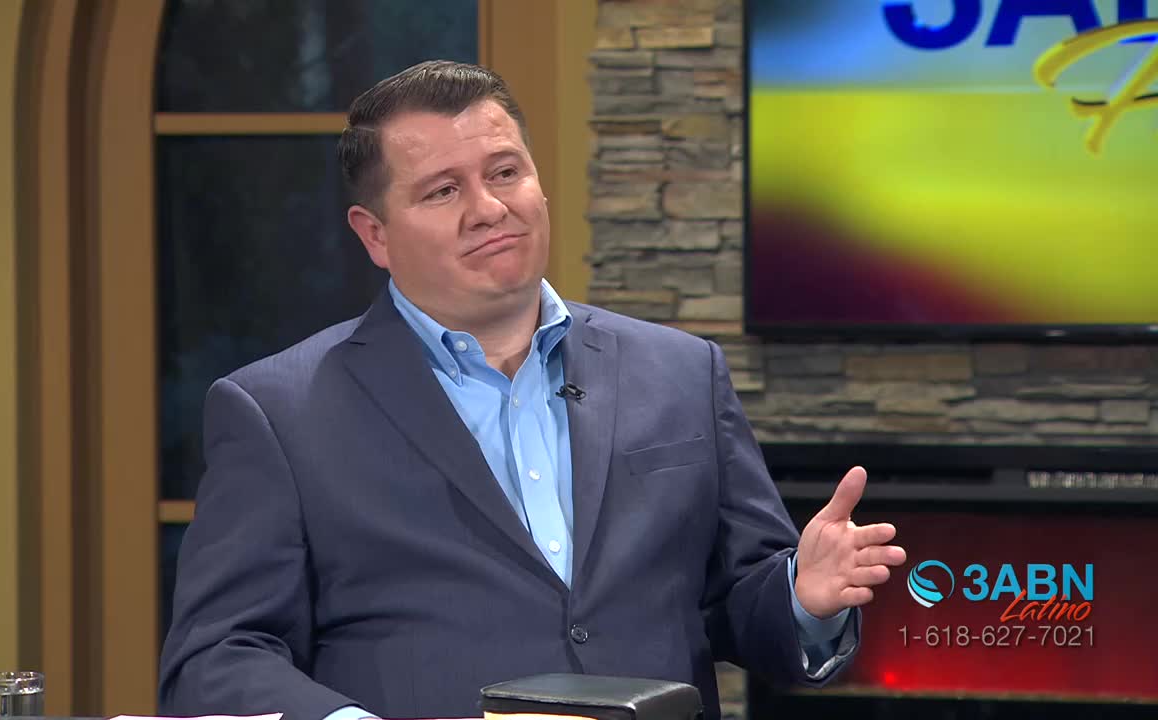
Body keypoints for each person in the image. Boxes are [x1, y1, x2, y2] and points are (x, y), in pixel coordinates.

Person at [158, 60, 906, 720]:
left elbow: (741, 604)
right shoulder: (278, 413)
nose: (489, 208)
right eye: (443, 190)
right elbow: (216, 659)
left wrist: (802, 597)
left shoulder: (682, 372)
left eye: (506, 172)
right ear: (375, 235)